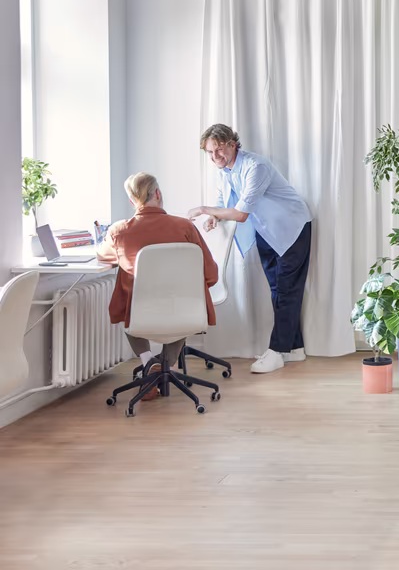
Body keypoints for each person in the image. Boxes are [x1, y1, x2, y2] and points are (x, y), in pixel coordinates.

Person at [188, 124, 312, 374]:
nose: (215, 157)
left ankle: (277, 351)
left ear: (233, 144)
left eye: (219, 150)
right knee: (277, 291)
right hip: (266, 232)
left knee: (287, 291)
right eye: (210, 153)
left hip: (291, 229)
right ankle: (293, 348)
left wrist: (204, 210)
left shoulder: (256, 167)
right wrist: (217, 216)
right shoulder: (225, 171)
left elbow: (242, 213)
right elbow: (225, 202)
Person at [97, 172, 219, 402]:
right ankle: (165, 365)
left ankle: (148, 362)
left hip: (140, 313)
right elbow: (210, 274)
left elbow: (102, 256)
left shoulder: (119, 231)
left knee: (128, 301)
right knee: (180, 308)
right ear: (158, 194)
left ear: (132, 201)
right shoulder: (184, 227)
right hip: (184, 310)